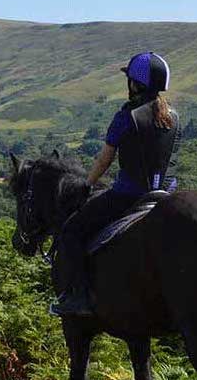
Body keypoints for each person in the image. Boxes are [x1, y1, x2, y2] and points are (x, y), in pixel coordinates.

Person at [51, 51, 181, 317]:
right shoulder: (173, 116)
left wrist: (87, 184)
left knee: (71, 232)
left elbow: (104, 161)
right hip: (164, 194)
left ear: (134, 84)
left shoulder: (126, 116)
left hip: (128, 195)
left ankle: (79, 297)